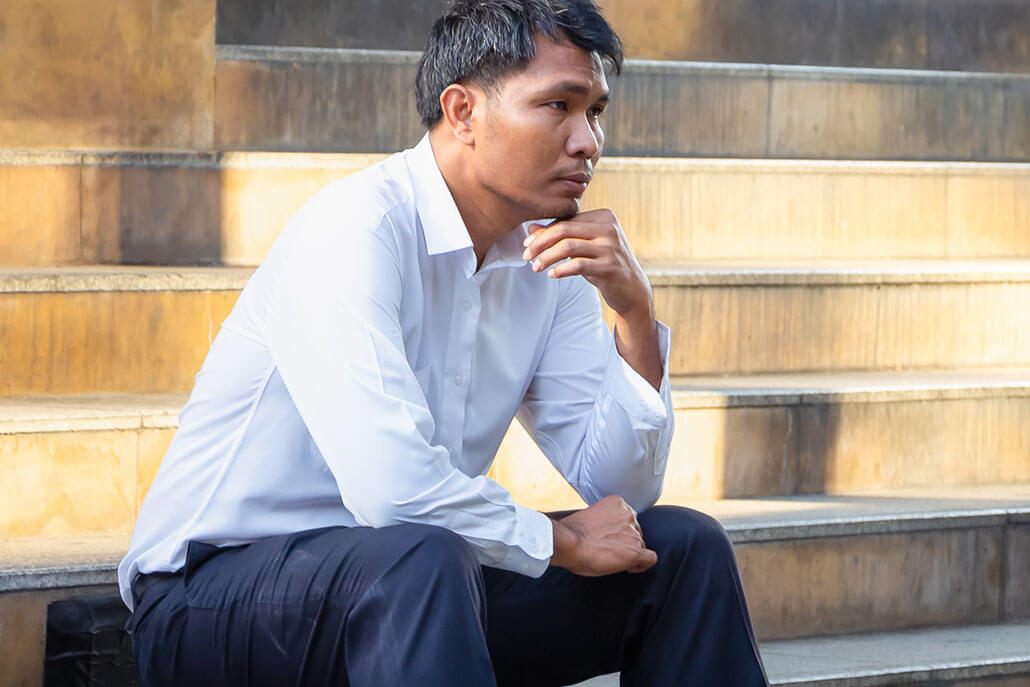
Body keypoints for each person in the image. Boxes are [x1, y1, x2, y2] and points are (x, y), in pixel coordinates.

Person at [119, 0, 769, 684]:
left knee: (681, 547)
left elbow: (621, 492)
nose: (588, 142)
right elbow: (393, 492)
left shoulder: (548, 257)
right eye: (558, 106)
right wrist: (561, 538)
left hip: (412, 584)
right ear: (462, 113)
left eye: (596, 112)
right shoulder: (354, 230)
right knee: (422, 559)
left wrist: (635, 319)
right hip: (208, 599)